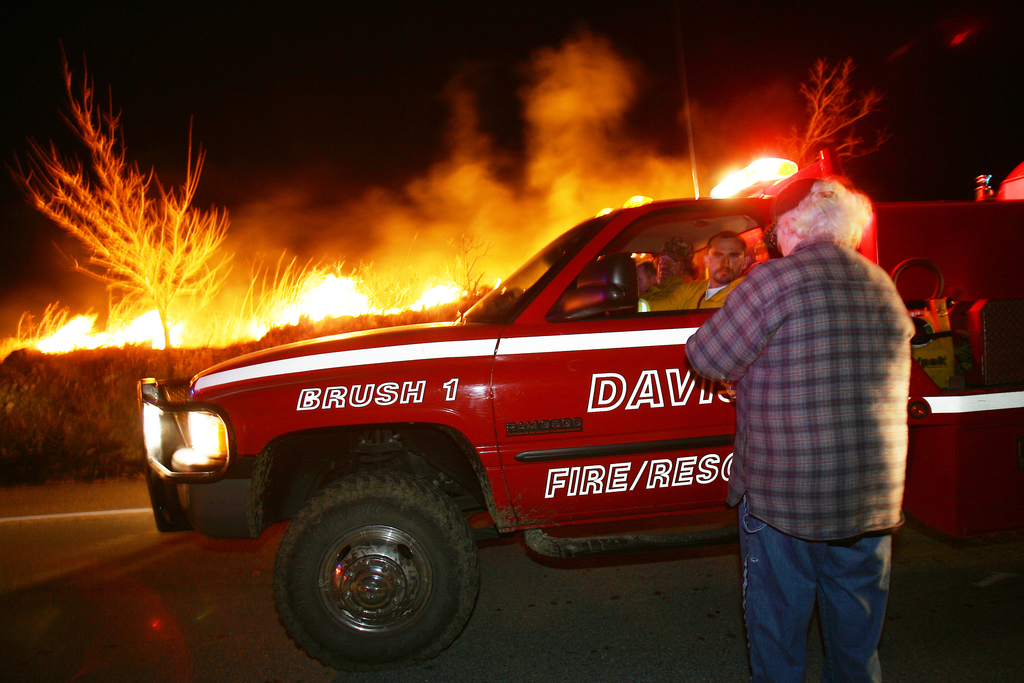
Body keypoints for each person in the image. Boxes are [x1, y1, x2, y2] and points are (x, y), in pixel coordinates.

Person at [685, 177, 914, 683]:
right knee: (856, 649)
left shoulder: (775, 281)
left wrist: (737, 374)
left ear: (790, 226)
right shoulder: (880, 283)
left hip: (787, 500)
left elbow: (704, 354)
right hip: (871, 498)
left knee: (779, 642)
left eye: (773, 232)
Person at [647, 231, 751, 311]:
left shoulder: (748, 296)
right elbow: (654, 308)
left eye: (733, 256)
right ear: (706, 260)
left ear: (745, 262)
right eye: (718, 256)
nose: (725, 263)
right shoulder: (689, 290)